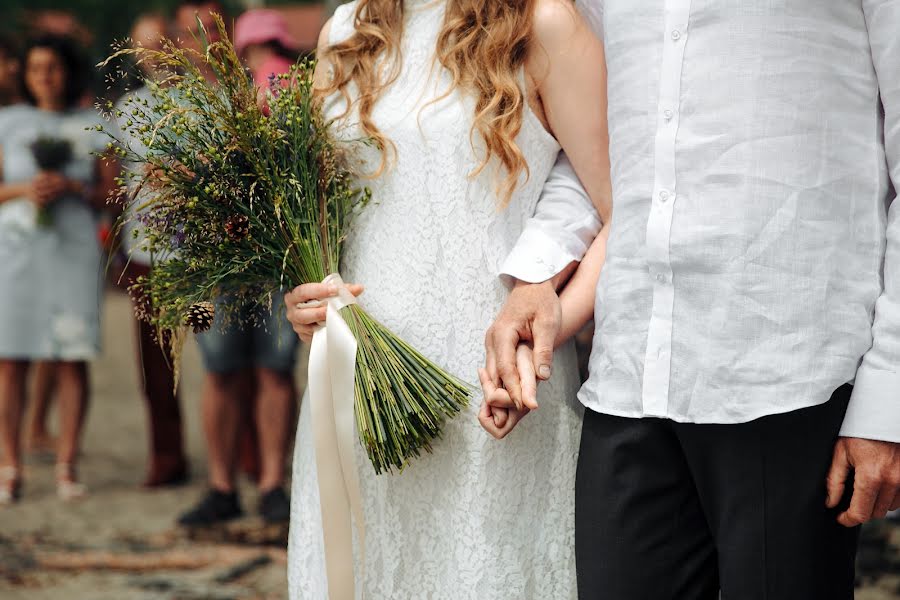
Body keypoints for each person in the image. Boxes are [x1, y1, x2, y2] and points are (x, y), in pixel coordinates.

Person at [482, 2, 900, 598]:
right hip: (629, 375)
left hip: (792, 373)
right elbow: (598, 139)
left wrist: (890, 394)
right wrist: (539, 276)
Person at [284, 0, 609, 597]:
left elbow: (620, 210)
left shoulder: (544, 22)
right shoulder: (347, 27)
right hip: (355, 379)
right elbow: (325, 207)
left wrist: (549, 326)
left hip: (490, 377)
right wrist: (305, 291)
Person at [175, 0, 299, 527]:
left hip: (271, 260)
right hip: (209, 262)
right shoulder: (185, 98)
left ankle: (264, 485)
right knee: (227, 368)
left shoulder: (279, 90)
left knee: (262, 368)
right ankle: (234, 485)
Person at [0, 35, 115, 504]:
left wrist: (73, 187)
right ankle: (10, 465)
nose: (45, 76)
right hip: (17, 250)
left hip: (73, 249)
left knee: (71, 355)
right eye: (35, 68)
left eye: (53, 66)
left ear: (68, 71)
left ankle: (67, 464)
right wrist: (26, 190)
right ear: (24, 76)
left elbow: (112, 195)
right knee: (11, 358)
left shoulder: (94, 124)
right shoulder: (8, 122)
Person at [112, 13, 191, 489]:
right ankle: (167, 455)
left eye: (157, 45)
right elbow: (117, 184)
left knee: (220, 359)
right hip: (147, 253)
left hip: (201, 258)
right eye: (141, 48)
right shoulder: (126, 108)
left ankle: (243, 457)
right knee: (156, 360)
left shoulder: (203, 101)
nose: (149, 56)